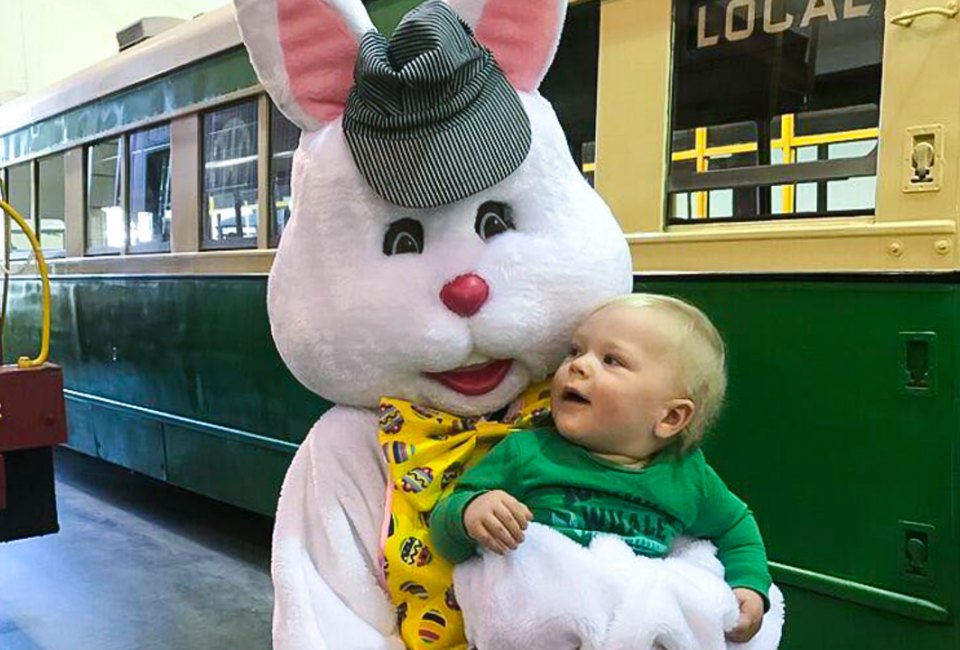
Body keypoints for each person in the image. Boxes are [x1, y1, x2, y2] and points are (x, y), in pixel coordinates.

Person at [429, 294, 773, 647]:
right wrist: (471, 512)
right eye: (575, 351)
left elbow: (735, 527)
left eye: (612, 360)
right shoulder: (527, 452)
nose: (578, 366)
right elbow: (444, 532)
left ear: (670, 418)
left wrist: (749, 585)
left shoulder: (687, 477)